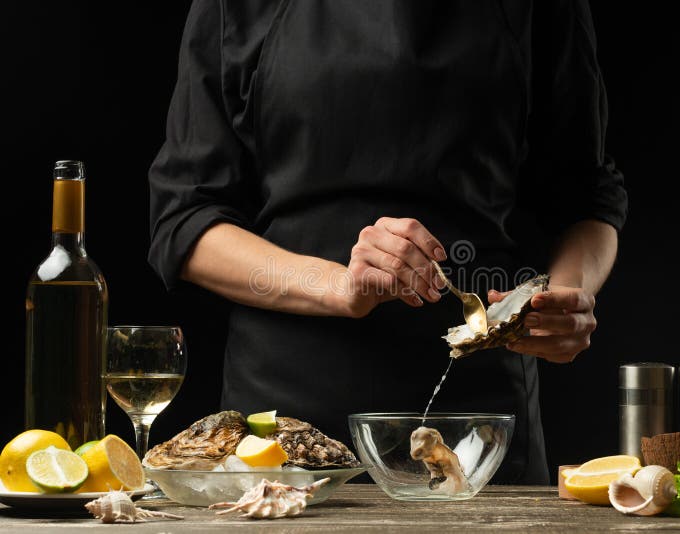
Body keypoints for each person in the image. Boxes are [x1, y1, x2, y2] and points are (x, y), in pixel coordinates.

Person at [148, 0, 627, 485]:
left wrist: (563, 297)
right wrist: (338, 287)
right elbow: (187, 221)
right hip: (286, 428)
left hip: (479, 429)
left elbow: (588, 201)